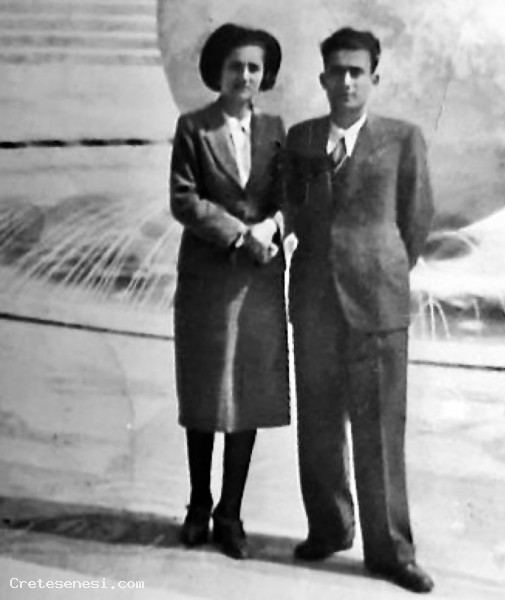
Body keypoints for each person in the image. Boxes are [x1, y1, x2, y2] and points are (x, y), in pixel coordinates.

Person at [285, 27, 434, 593]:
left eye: (357, 72)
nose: (346, 81)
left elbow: (415, 219)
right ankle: (329, 527)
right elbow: (293, 210)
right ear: (322, 78)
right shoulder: (301, 139)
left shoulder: (402, 139)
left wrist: (383, 267)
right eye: (337, 72)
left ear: (374, 78)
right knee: (319, 423)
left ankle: (391, 550)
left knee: (380, 431)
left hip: (377, 301)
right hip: (315, 300)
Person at [169, 23, 288, 561]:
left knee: (248, 394)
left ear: (265, 75)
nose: (245, 76)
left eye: (254, 67)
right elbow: (184, 199)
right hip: (208, 279)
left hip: (259, 279)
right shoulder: (193, 128)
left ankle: (231, 512)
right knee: (204, 393)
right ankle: (199, 505)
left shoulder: (277, 131)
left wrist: (272, 228)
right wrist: (240, 235)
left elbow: (291, 197)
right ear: (217, 71)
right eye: (235, 66)